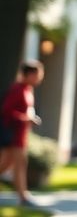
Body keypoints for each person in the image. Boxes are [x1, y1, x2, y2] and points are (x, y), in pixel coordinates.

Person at [0, 61, 44, 207]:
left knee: (6, 164)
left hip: (21, 134)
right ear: (30, 74)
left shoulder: (28, 90)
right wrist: (27, 118)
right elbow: (6, 111)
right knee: (19, 164)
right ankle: (23, 197)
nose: (40, 78)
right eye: (38, 74)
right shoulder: (18, 89)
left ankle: (23, 196)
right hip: (13, 134)